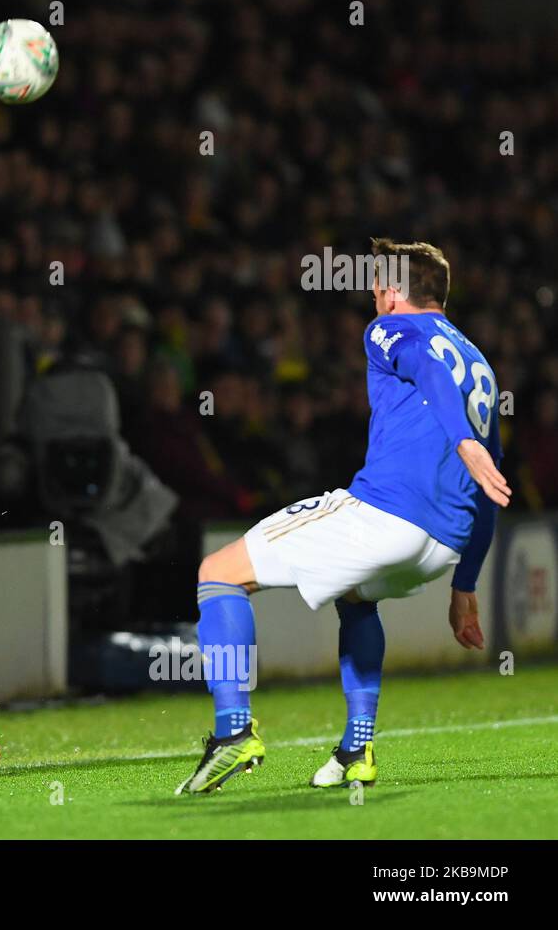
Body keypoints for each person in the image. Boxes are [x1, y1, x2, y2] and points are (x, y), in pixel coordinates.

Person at [176, 240, 509, 795]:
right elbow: (493, 481)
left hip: (386, 515)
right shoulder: (480, 364)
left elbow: (427, 370)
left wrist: (460, 442)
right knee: (357, 599)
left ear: (394, 293)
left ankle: (232, 730)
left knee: (217, 572)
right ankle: (357, 747)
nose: (373, 295)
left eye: (378, 285)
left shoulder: (393, 328)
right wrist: (465, 582)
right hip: (443, 542)